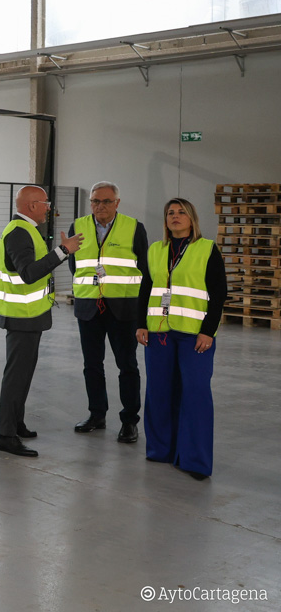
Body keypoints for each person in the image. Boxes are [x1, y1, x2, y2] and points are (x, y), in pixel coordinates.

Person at [135, 198, 227, 480]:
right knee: (159, 392)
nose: (175, 216)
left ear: (192, 218)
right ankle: (161, 450)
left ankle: (194, 460)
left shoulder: (206, 248)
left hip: (194, 335)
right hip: (159, 332)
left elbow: (219, 294)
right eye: (170, 213)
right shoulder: (155, 249)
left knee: (195, 394)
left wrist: (208, 331)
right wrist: (141, 324)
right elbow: (146, 288)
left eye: (181, 212)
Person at [0, 185, 84, 458]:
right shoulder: (19, 232)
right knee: (16, 377)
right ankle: (5, 435)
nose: (49, 208)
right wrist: (63, 251)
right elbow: (29, 273)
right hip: (21, 317)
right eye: (46, 203)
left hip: (30, 316)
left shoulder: (28, 230)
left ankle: (15, 423)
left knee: (23, 375)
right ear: (32, 205)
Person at [67, 182, 150, 444]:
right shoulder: (77, 226)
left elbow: (145, 268)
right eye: (95, 201)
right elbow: (74, 265)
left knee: (127, 365)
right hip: (89, 306)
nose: (99, 206)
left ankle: (129, 421)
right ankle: (97, 415)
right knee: (92, 365)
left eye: (106, 201)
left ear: (117, 203)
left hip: (123, 308)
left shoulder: (134, 227)